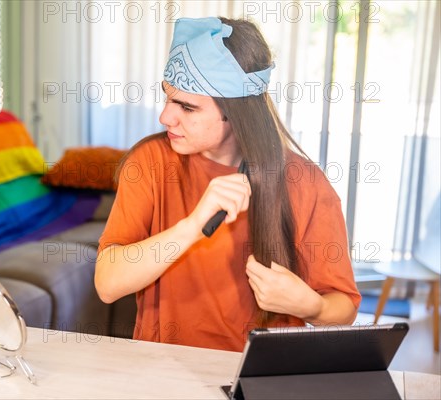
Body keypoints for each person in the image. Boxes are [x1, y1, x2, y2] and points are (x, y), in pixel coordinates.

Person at [95, 17, 361, 352]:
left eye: (187, 107)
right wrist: (193, 225)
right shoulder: (150, 162)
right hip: (161, 368)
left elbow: (344, 309)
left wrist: (312, 307)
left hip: (260, 375)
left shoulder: (306, 184)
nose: (165, 117)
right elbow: (107, 283)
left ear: (236, 113)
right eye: (167, 97)